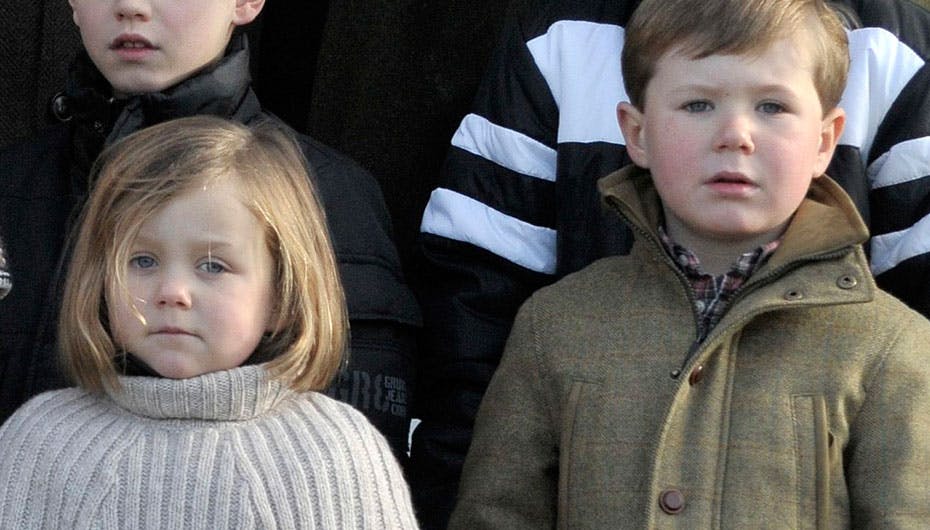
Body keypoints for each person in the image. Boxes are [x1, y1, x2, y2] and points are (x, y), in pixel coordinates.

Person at [409, 0, 930, 524]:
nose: (736, 135)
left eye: (772, 107)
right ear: (635, 134)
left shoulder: (892, 349)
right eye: (699, 105)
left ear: (824, 142)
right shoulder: (554, 329)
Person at [0, 0, 420, 455]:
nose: (130, 7)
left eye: (213, 265)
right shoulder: (11, 184)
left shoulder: (324, 195)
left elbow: (352, 459)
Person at [0, 116, 420, 528]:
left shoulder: (333, 451)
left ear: (280, 296)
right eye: (142, 260)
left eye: (213, 265)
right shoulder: (41, 441)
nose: (173, 291)